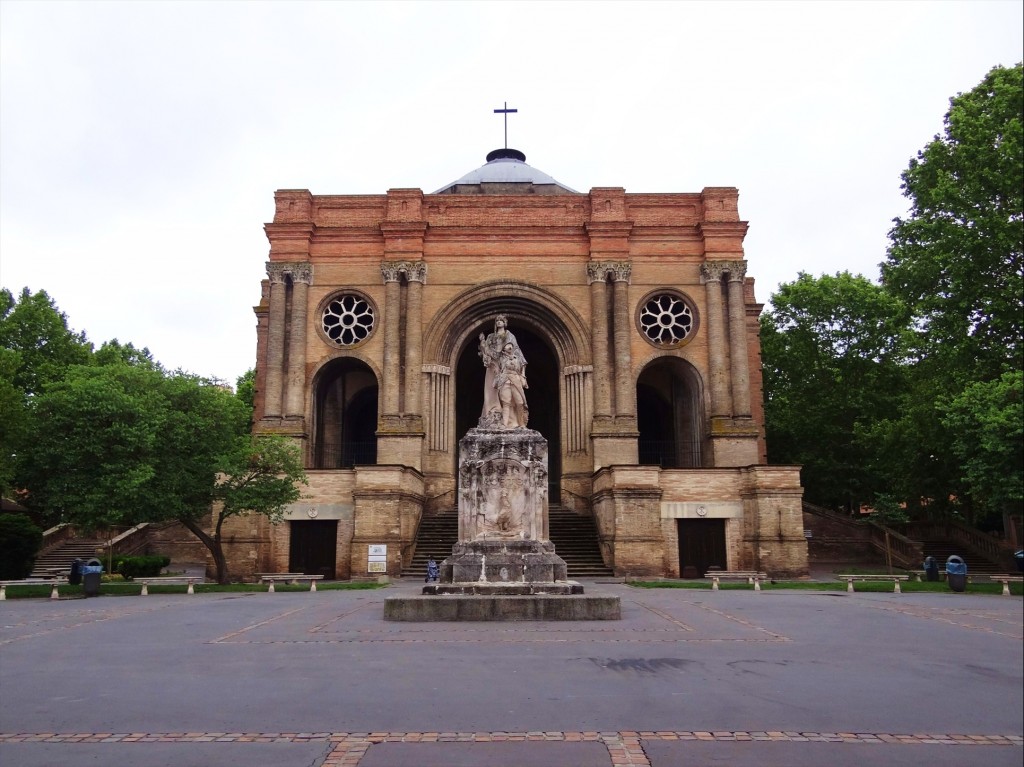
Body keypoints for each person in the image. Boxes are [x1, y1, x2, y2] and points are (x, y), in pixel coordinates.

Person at [478, 314, 527, 426]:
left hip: (506, 365)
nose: (499, 322)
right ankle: (492, 412)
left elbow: (517, 351)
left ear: (505, 323)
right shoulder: (491, 337)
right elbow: (486, 351)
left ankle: (511, 421)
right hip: (493, 365)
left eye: (501, 320)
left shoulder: (510, 336)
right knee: (492, 389)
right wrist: (483, 343)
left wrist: (522, 372)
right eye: (497, 320)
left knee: (511, 395)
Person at [495, 342, 529, 428]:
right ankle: (504, 424)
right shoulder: (501, 358)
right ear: (504, 349)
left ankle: (521, 424)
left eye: (511, 346)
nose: (510, 347)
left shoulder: (517, 358)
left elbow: (521, 368)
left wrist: (523, 377)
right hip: (505, 380)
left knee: (520, 402)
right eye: (507, 346)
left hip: (516, 380)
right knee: (506, 403)